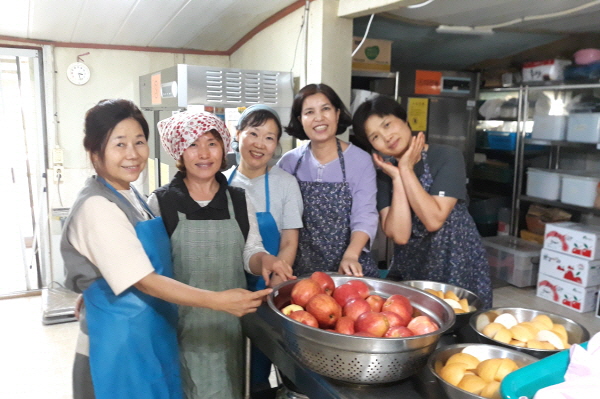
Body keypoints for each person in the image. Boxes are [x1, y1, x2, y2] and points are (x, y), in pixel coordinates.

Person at [62, 99, 274, 399]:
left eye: (138, 142)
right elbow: (145, 279)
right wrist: (217, 301)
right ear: (95, 150)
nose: (132, 154)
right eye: (119, 144)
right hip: (116, 348)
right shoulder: (102, 204)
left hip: (152, 334)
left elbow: (123, 257)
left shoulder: (129, 194)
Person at [148, 110, 295, 399]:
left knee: (229, 387)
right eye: (193, 144)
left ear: (224, 148)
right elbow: (148, 269)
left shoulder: (239, 200)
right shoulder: (161, 202)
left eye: (212, 143)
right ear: (179, 151)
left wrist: (266, 260)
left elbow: (250, 251)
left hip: (230, 324)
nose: (204, 153)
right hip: (179, 326)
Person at [352, 95, 493, 308]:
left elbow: (434, 219)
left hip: (457, 262)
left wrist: (406, 169)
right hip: (413, 269)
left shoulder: (447, 157)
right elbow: (399, 235)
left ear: (404, 119)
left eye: (387, 125)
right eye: (376, 137)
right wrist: (398, 177)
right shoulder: (384, 174)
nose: (387, 137)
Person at [224, 104, 303, 394]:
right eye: (253, 133)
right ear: (238, 135)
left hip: (267, 288)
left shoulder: (285, 184)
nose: (260, 143)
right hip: (225, 288)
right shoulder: (220, 182)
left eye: (269, 138)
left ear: (276, 146)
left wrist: (277, 287)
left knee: (260, 366)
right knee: (229, 365)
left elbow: (288, 241)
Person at [277, 83, 379, 278]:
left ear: (337, 113)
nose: (319, 118)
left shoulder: (361, 160)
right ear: (300, 120)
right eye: (309, 112)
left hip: (348, 269)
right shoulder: (289, 162)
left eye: (326, 109)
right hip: (300, 272)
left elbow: (365, 215)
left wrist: (351, 255)